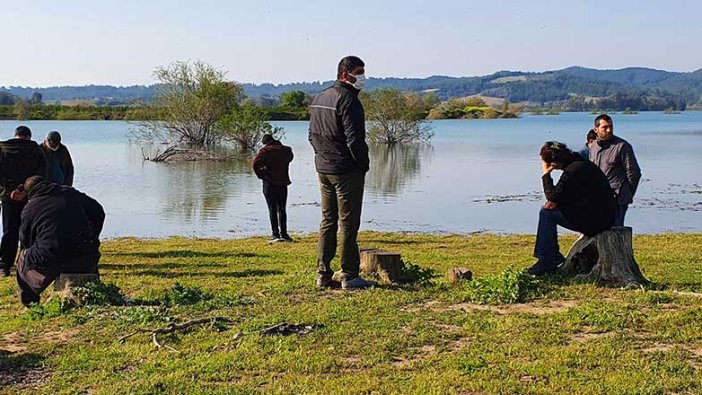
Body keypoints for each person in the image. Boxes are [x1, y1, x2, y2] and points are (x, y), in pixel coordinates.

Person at [308, 55, 375, 290]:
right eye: (359, 72)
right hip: (346, 170)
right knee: (348, 224)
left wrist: (323, 156)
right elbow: (355, 139)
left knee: (328, 221)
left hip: (324, 167)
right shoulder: (349, 100)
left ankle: (323, 274)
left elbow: (311, 136)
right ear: (345, 75)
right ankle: (349, 275)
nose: (362, 77)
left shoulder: (320, 97)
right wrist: (363, 164)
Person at [528, 141, 617, 276]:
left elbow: (552, 195)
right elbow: (565, 194)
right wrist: (557, 201)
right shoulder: (580, 163)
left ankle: (547, 261)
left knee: (547, 214)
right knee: (549, 209)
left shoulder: (573, 170)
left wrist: (545, 174)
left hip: (597, 222)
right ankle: (551, 256)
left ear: (554, 163)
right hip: (604, 216)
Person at [16, 176, 105, 306]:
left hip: (51, 257)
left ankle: (30, 302)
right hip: (85, 256)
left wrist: (32, 250)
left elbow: (25, 240)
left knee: (23, 258)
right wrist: (92, 235)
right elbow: (98, 211)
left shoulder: (30, 208)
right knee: (86, 246)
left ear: (29, 192)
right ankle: (94, 292)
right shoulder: (71, 194)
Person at [0, 126, 46, 277]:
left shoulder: (3, 149)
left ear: (15, 135)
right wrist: (23, 189)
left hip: (8, 197)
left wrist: (12, 189)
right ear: (29, 137)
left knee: (9, 231)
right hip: (30, 196)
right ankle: (27, 264)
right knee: (29, 231)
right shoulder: (37, 150)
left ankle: (5, 266)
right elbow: (41, 174)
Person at [589, 114, 642, 226]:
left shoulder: (622, 146)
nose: (609, 130)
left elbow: (634, 173)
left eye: (611, 126)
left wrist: (627, 193)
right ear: (596, 129)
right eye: (604, 127)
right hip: (598, 198)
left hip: (617, 199)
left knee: (616, 232)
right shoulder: (593, 146)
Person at [252, 134, 294, 242]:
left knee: (272, 209)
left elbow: (255, 164)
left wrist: (262, 174)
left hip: (269, 183)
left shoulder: (265, 151)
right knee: (282, 209)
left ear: (265, 143)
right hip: (283, 183)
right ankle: (284, 234)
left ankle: (275, 234)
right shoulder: (286, 150)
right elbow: (290, 159)